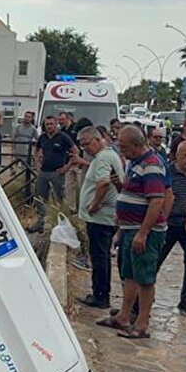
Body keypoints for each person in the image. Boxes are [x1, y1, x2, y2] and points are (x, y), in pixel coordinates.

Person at [96, 125, 167, 340]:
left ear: (137, 145)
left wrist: (143, 233)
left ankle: (142, 323)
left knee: (145, 277)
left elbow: (156, 202)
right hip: (129, 229)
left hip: (144, 231)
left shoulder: (152, 165)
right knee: (129, 274)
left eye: (124, 147)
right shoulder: (134, 163)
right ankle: (124, 316)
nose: (122, 151)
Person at [77, 126, 124, 309]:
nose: (85, 149)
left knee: (99, 257)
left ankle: (101, 295)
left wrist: (94, 204)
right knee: (101, 256)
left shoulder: (103, 157)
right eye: (82, 146)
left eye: (87, 144)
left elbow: (104, 182)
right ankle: (101, 292)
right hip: (105, 216)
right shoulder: (108, 155)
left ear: (97, 140)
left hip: (100, 217)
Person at [160, 140, 186, 315]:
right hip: (169, 223)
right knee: (156, 259)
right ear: (177, 155)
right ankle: (144, 295)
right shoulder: (166, 172)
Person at [31, 116, 75, 233]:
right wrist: (37, 163)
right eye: (47, 124)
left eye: (51, 124)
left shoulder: (63, 137)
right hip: (43, 172)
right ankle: (41, 223)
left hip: (57, 172)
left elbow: (75, 151)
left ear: (56, 124)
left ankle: (61, 224)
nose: (49, 126)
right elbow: (36, 150)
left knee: (59, 198)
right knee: (41, 198)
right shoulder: (42, 137)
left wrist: (67, 167)